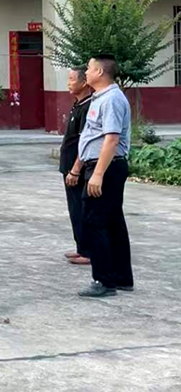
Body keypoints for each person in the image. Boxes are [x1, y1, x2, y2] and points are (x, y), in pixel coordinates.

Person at [73, 54, 133, 298]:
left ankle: (104, 280)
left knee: (94, 221)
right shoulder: (101, 97)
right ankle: (121, 277)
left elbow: (111, 139)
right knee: (112, 222)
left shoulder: (111, 99)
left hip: (105, 167)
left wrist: (97, 175)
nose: (85, 72)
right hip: (102, 165)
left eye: (89, 68)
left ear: (99, 72)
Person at [60, 66, 93, 265]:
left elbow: (84, 142)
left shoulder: (88, 107)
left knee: (82, 209)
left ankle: (88, 251)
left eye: (72, 79)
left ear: (84, 82)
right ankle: (81, 247)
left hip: (77, 169)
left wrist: (75, 169)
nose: (68, 83)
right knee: (74, 209)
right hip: (68, 167)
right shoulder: (78, 105)